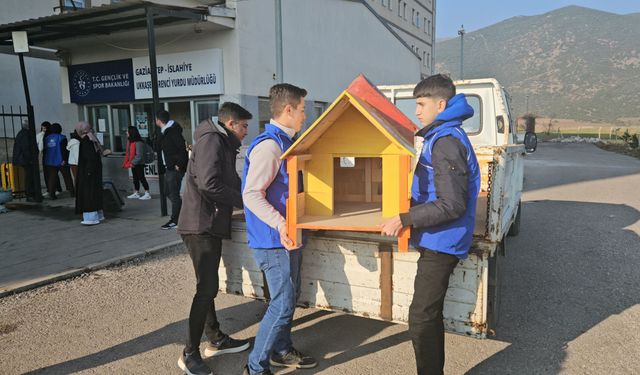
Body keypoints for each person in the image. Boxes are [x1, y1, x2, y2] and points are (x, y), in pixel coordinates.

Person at [380, 74, 481, 375]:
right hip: (437, 236)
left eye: (421, 104)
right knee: (427, 314)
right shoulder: (442, 136)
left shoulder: (446, 142)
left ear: (442, 104)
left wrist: (405, 218)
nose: (417, 111)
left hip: (443, 240)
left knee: (422, 317)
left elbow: (452, 203)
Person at [242, 84, 317, 375]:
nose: (304, 115)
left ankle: (282, 350)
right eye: (301, 110)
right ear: (287, 110)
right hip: (274, 241)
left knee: (290, 296)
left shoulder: (287, 142)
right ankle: (255, 368)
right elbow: (251, 194)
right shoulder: (270, 146)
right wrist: (280, 223)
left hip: (288, 237)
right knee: (283, 304)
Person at [175, 102, 252, 375]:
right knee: (206, 288)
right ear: (230, 124)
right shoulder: (212, 141)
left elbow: (224, 180)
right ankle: (190, 353)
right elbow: (209, 183)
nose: (246, 132)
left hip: (206, 223)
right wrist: (244, 200)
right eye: (243, 126)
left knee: (207, 285)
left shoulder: (220, 142)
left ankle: (216, 338)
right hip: (200, 226)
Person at [154, 110, 188, 229]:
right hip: (169, 167)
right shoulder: (164, 132)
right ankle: (184, 213)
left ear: (158, 120)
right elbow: (158, 148)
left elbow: (182, 149)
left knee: (173, 194)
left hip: (175, 168)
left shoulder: (173, 132)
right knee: (167, 192)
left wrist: (179, 164)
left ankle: (176, 220)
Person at [75, 121, 105, 226]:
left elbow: (89, 158)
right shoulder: (92, 138)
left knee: (88, 194)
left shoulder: (86, 140)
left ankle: (91, 217)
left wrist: (88, 172)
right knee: (95, 193)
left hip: (88, 172)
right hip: (95, 171)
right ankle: (99, 214)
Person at [44, 123, 74, 198]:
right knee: (67, 177)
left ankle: (52, 194)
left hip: (50, 161)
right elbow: (64, 150)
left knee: (52, 177)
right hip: (60, 160)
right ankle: (72, 192)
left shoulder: (47, 138)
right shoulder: (62, 138)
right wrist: (64, 159)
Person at [122, 126, 151, 200]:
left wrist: (132, 163)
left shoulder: (138, 143)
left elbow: (139, 155)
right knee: (135, 179)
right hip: (134, 163)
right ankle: (136, 192)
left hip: (139, 163)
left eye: (127, 131)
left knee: (141, 178)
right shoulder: (131, 142)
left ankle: (147, 193)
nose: (126, 133)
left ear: (131, 132)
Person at [12, 119, 37, 199]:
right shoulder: (25, 134)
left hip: (22, 158)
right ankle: (30, 193)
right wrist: (30, 158)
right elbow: (26, 147)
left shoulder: (21, 133)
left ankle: (30, 193)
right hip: (25, 159)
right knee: (30, 176)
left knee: (29, 175)